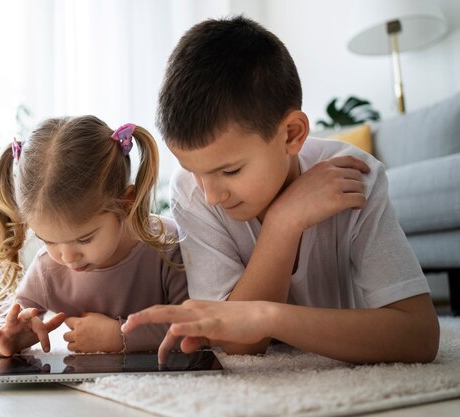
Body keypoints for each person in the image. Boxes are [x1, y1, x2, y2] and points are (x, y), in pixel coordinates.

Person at [122, 16, 439, 364]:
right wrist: (283, 223)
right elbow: (237, 344)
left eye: (230, 170)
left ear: (291, 134)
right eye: (192, 170)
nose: (211, 194)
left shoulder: (352, 178)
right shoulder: (192, 193)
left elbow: (420, 337)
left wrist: (267, 318)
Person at [0, 116, 187, 361]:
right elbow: (8, 317)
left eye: (84, 239)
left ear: (126, 204)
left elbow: (197, 324)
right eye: (48, 240)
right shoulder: (47, 267)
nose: (66, 257)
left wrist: (121, 336)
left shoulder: (166, 244)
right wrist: (6, 340)